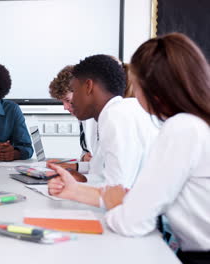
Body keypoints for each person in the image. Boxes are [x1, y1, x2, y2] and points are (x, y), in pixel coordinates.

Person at [48, 33, 210, 264]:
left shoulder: (182, 128)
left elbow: (132, 219)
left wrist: (122, 207)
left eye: (135, 83)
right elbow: (133, 197)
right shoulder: (192, 123)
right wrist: (78, 191)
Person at [56, 55, 158, 188]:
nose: (70, 103)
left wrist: (74, 189)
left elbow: (116, 190)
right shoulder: (115, 112)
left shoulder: (116, 116)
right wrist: (83, 179)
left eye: (74, 91)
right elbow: (101, 172)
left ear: (88, 86)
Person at [48, 65, 98, 174]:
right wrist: (84, 158)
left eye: (67, 100)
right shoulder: (84, 118)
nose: (65, 107)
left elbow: (103, 167)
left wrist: (73, 166)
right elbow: (88, 152)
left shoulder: (103, 118)